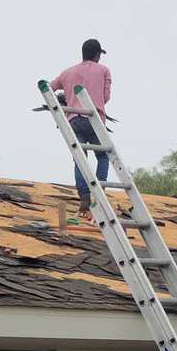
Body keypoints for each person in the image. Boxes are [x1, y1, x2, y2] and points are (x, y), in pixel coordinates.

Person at [50, 38, 112, 219]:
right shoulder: (104, 70)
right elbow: (105, 97)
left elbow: (50, 86)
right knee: (102, 155)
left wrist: (65, 100)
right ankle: (99, 196)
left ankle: (84, 196)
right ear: (97, 54)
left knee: (79, 158)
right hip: (94, 118)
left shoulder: (68, 72)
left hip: (73, 119)